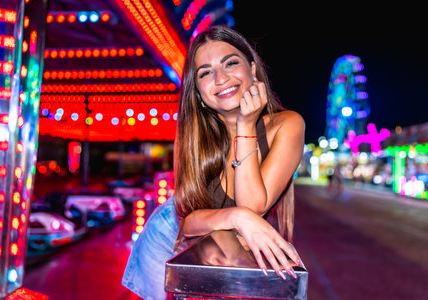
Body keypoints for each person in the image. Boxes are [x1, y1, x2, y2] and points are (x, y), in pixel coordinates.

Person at [122, 25, 305, 300]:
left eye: (230, 63)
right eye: (205, 72)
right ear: (198, 91)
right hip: (166, 235)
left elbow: (252, 207)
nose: (220, 78)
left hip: (222, 244)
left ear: (252, 70)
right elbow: (188, 223)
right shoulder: (194, 134)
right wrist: (237, 217)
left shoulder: (287, 124)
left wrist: (245, 124)